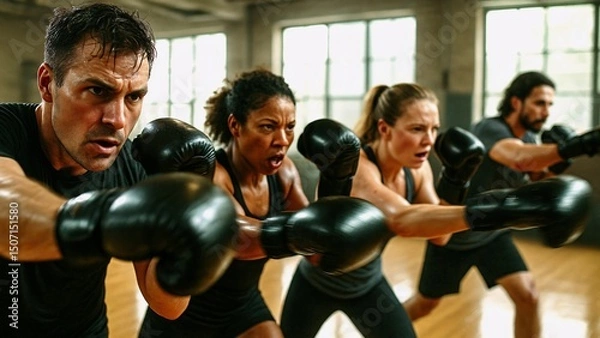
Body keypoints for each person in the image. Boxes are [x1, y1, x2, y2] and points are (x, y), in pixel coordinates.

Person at [0, 4, 242, 337]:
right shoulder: (7, 130)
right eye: (98, 91)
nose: (117, 119)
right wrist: (107, 222)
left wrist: (188, 217)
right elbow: (7, 207)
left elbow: (168, 305)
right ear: (47, 83)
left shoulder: (131, 164)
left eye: (134, 97)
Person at [280, 82, 593, 337]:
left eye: (434, 129)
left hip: (368, 284)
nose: (428, 140)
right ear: (385, 129)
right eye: (417, 129)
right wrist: (506, 208)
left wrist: (455, 181)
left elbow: (441, 239)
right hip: (315, 285)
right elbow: (402, 219)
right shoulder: (360, 166)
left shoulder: (416, 171)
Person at [138, 68, 391, 338]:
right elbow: (236, 239)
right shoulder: (216, 177)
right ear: (235, 126)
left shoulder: (285, 174)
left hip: (243, 305)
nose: (282, 140)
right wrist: (295, 234)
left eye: (290, 127)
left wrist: (335, 181)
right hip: (186, 316)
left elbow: (314, 241)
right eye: (268, 126)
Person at [404, 71, 600, 338]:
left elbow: (537, 177)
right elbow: (519, 159)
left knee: (528, 295)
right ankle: (384, 329)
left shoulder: (530, 139)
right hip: (453, 235)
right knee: (425, 304)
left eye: (550, 105)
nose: (546, 112)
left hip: (492, 233)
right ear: (517, 102)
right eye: (540, 103)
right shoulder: (491, 129)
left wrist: (558, 162)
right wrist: (580, 145)